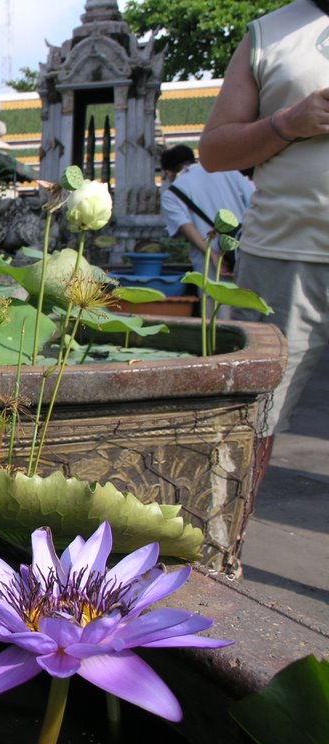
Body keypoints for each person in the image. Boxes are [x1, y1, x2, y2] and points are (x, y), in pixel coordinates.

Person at [199, 0, 329, 481]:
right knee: (249, 425)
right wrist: (288, 124)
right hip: (283, 257)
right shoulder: (270, 34)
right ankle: (223, 552)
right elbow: (213, 151)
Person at [160, 144, 252, 275]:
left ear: (169, 172)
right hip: (246, 251)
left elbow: (186, 227)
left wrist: (213, 255)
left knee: (213, 294)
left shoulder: (171, 194)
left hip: (212, 264)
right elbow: (253, 203)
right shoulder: (227, 171)